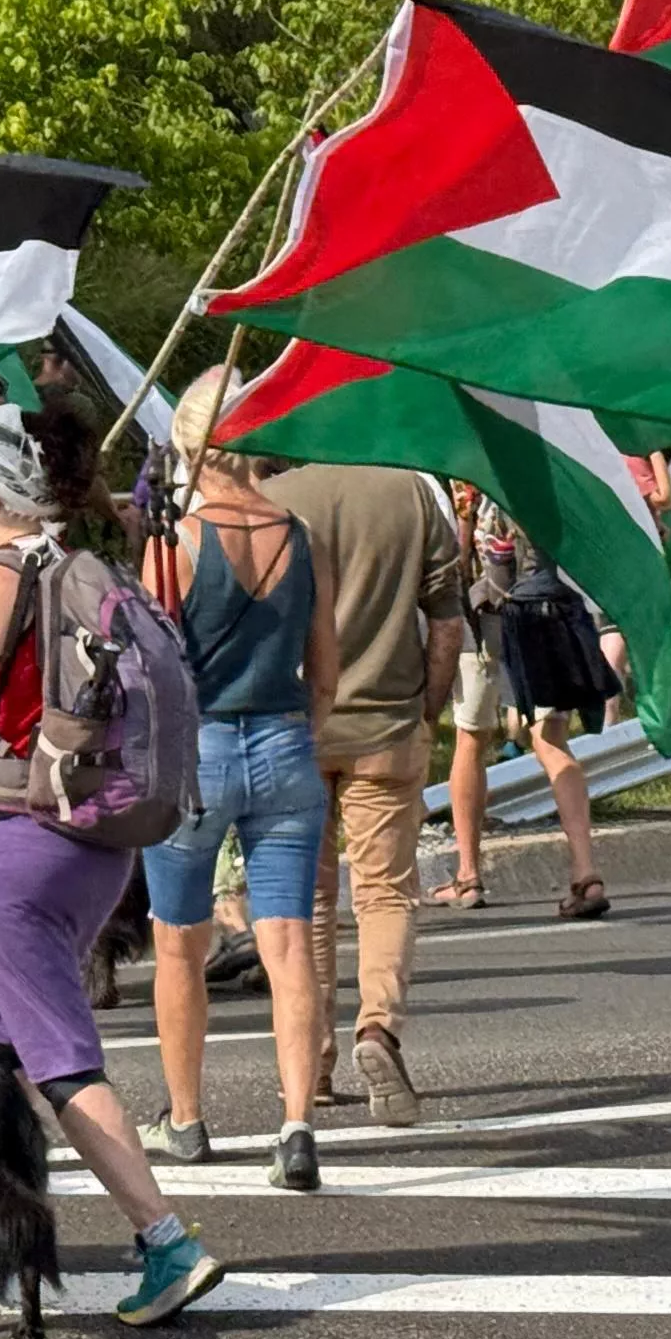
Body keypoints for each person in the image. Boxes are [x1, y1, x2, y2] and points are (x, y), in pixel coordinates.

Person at [0, 405, 227, 1326]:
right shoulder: (94, 574)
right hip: (95, 846)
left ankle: (165, 1241)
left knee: (60, 1061)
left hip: (10, 848)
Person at [131, 371, 332, 1188]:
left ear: (189, 443)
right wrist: (302, 730)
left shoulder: (173, 542)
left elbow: (148, 670)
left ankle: (185, 1118)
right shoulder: (298, 531)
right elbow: (326, 665)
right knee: (287, 941)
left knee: (179, 941)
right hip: (284, 737)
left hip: (199, 751)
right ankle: (296, 1124)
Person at [263, 455, 466, 1128]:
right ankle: (377, 1028)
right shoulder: (411, 491)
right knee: (385, 892)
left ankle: (312, 1057)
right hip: (389, 719)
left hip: (292, 723)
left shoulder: (272, 498)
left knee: (310, 898)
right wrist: (428, 711)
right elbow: (445, 620)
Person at [443, 493, 617, 921]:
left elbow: (466, 564)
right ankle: (585, 869)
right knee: (553, 742)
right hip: (549, 622)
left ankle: (468, 875)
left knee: (471, 739)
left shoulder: (477, 490)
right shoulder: (549, 480)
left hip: (489, 627)